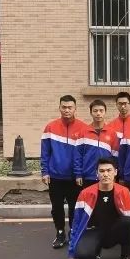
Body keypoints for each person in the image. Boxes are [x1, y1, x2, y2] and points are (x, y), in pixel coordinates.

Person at [68, 157, 130, 259]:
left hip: (114, 233)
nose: (105, 174)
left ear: (115, 172)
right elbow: (76, 223)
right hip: (95, 232)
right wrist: (72, 251)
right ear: (96, 173)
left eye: (109, 170)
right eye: (102, 171)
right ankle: (95, 256)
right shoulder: (85, 193)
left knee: (128, 221)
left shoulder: (124, 192)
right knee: (81, 257)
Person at [41, 95, 86, 249]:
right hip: (55, 176)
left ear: (75, 109)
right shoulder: (50, 127)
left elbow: (84, 153)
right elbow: (45, 152)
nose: (67, 110)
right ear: (59, 108)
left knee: (75, 208)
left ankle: (73, 232)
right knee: (57, 208)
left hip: (75, 178)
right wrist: (44, 171)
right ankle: (60, 233)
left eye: (70, 107)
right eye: (64, 107)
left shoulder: (83, 128)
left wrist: (80, 173)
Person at [73, 99, 117, 189]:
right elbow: (78, 155)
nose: (98, 113)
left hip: (106, 176)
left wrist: (114, 175)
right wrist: (78, 174)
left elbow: (115, 157)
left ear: (105, 112)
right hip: (88, 176)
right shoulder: (83, 132)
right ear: (91, 113)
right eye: (95, 111)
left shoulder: (112, 133)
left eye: (101, 111)